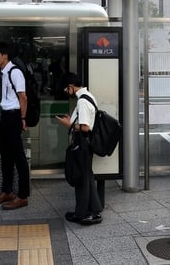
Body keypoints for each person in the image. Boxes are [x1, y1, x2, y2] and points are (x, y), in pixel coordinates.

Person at [55, 72, 103, 225]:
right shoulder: (89, 96)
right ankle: (94, 210)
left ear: (71, 87)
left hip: (82, 144)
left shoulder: (82, 101)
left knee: (82, 179)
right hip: (86, 145)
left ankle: (82, 214)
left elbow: (85, 127)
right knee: (88, 176)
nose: (66, 93)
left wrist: (68, 124)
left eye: (65, 90)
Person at [0, 42, 30, 210]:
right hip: (5, 116)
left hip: (14, 117)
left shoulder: (15, 72)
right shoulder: (3, 72)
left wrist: (23, 118)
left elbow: (23, 97)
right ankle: (7, 191)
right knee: (5, 155)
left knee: (18, 157)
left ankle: (23, 195)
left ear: (5, 55)